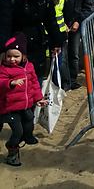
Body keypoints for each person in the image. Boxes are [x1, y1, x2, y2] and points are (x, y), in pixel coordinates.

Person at [0, 0, 64, 81]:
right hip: (14, 49)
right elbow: (3, 26)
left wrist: (56, 42)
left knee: (35, 81)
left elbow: (50, 20)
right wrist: (2, 49)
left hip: (37, 45)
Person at [0, 33, 48, 167]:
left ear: (23, 56)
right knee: (17, 131)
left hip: (26, 105)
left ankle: (28, 137)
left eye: (16, 56)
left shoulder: (29, 67)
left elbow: (34, 84)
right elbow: (1, 82)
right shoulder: (4, 69)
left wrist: (38, 98)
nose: (12, 59)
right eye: (9, 56)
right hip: (9, 108)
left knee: (29, 123)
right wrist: (10, 83)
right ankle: (12, 150)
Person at [60, 0, 94, 90]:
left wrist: (78, 22)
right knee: (63, 55)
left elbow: (87, 7)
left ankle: (72, 79)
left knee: (74, 53)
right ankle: (65, 80)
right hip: (62, 23)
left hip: (76, 24)